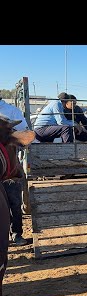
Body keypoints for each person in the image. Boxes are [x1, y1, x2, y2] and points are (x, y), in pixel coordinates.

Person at [0, 98, 29, 246]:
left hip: (10, 173)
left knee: (15, 204)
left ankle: (17, 234)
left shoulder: (11, 112)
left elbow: (26, 135)